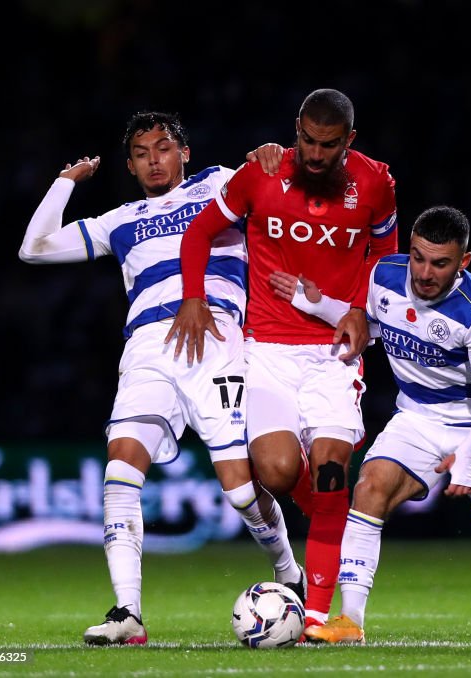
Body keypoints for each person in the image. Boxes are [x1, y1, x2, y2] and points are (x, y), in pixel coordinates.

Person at [18, 111, 304, 645]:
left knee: (241, 492)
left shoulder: (218, 184)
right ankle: (127, 613)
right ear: (130, 166)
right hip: (148, 352)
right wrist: (65, 182)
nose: (155, 159)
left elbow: (283, 177)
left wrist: (270, 155)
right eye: (143, 153)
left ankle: (288, 572)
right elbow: (32, 247)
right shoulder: (118, 220)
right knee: (121, 468)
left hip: (217, 345)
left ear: (184, 153)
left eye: (164, 147)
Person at [268, 206, 471, 643]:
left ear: (463, 263)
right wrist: (313, 303)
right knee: (369, 486)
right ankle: (350, 619)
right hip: (416, 417)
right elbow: (369, 325)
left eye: (440, 263)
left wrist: (466, 457)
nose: (425, 272)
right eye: (418, 257)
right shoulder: (383, 275)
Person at [167, 89, 398, 627]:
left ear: (350, 140)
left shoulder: (375, 183)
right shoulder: (260, 173)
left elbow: (386, 257)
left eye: (330, 145)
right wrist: (194, 297)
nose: (316, 155)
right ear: (296, 129)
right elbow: (200, 233)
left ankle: (317, 617)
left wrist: (362, 311)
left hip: (333, 355)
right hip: (266, 348)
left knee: (333, 471)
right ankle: (338, 528)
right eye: (309, 142)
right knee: (274, 470)